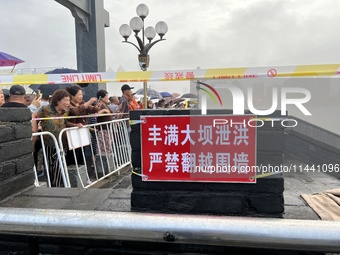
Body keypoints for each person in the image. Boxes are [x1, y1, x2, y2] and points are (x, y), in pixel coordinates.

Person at [36, 89, 76, 187]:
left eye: (69, 100)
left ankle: (57, 186)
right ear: (58, 100)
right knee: (51, 167)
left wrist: (75, 125)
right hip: (49, 144)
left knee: (59, 166)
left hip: (62, 143)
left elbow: (65, 122)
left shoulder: (66, 112)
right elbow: (35, 117)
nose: (68, 103)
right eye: (66, 100)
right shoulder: (45, 109)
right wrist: (35, 131)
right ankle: (54, 187)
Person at [65, 86, 109, 165]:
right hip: (73, 132)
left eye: (81, 94)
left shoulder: (82, 103)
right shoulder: (69, 105)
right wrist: (89, 102)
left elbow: (91, 109)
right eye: (79, 95)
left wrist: (96, 107)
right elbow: (75, 111)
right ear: (72, 96)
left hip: (82, 131)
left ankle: (82, 170)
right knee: (74, 154)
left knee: (82, 153)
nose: (81, 97)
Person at [96, 90, 114, 155]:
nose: (107, 98)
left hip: (108, 128)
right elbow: (95, 115)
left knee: (108, 146)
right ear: (101, 97)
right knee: (102, 146)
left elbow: (111, 113)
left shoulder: (106, 105)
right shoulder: (99, 105)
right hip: (103, 129)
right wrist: (103, 110)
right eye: (106, 96)